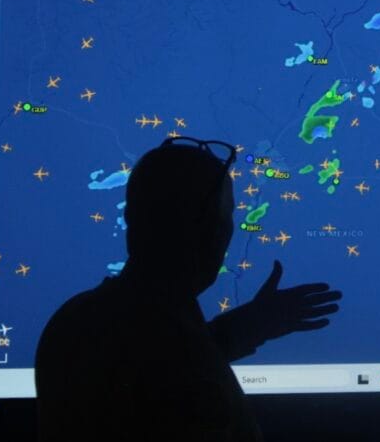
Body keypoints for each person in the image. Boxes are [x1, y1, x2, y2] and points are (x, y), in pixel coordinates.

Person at [35, 137, 343, 441]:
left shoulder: (75, 319)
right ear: (213, 230)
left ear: (131, 217)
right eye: (226, 216)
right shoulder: (191, 376)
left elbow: (153, 356)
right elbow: (171, 368)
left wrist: (248, 326)